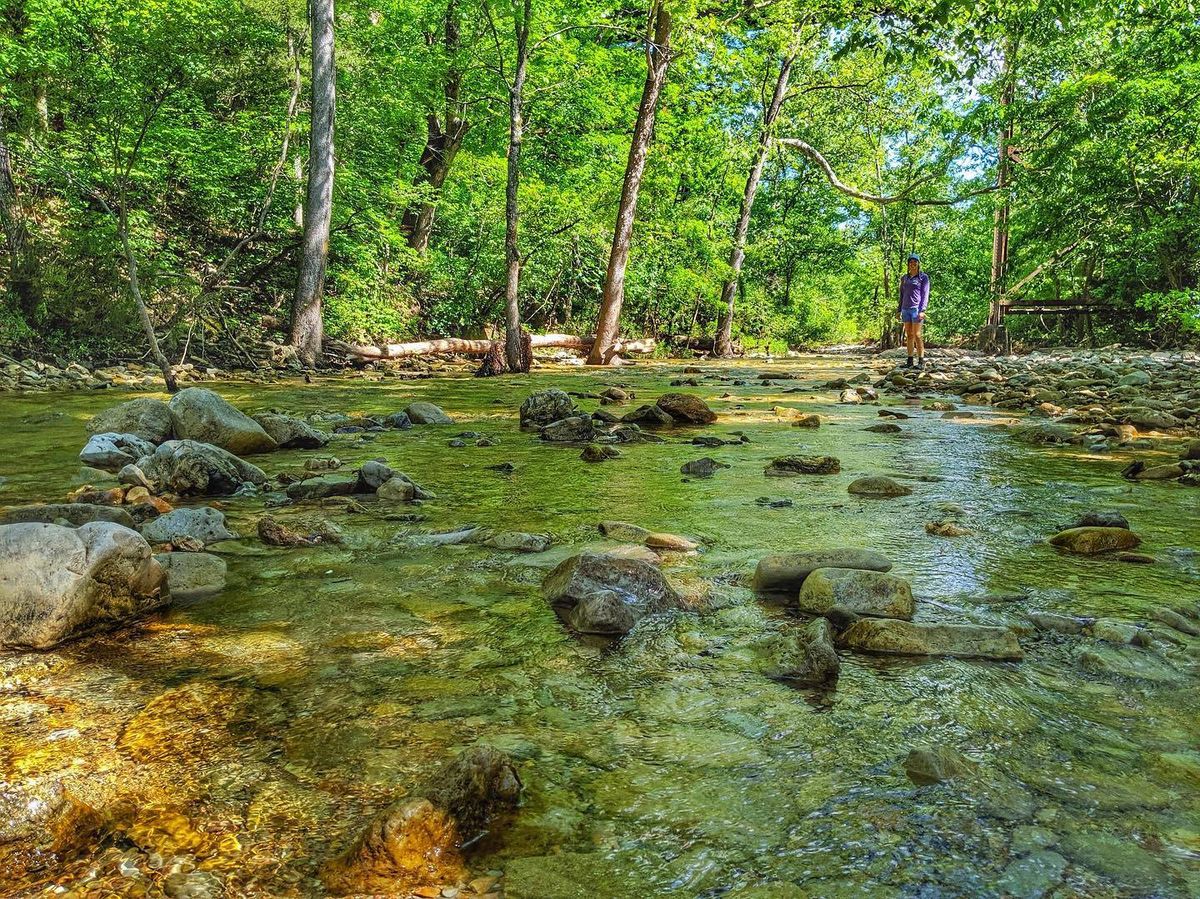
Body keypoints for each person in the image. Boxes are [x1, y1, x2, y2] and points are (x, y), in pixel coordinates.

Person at [898, 253, 930, 368]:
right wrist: (899, 309)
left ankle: (921, 361)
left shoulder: (923, 277)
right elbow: (901, 294)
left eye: (915, 262)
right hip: (905, 309)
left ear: (918, 263)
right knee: (909, 335)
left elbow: (925, 294)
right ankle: (910, 361)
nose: (913, 264)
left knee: (917, 335)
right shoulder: (904, 278)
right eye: (910, 262)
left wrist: (923, 310)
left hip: (916, 309)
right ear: (908, 264)